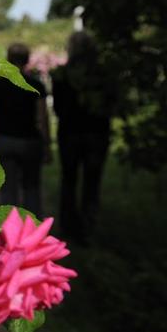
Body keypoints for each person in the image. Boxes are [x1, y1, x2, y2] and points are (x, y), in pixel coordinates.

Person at [51, 31, 113, 244]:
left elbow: (58, 108)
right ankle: (88, 227)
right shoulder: (103, 74)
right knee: (92, 182)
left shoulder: (61, 74)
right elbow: (110, 105)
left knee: (68, 180)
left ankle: (68, 226)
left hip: (69, 133)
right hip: (97, 134)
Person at [0, 43, 50, 215]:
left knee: (7, 190)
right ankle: (33, 229)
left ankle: (8, 229)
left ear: (8, 59)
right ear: (27, 60)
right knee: (32, 188)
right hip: (30, 141)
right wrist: (47, 145)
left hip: (4, 140)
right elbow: (42, 118)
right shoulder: (36, 85)